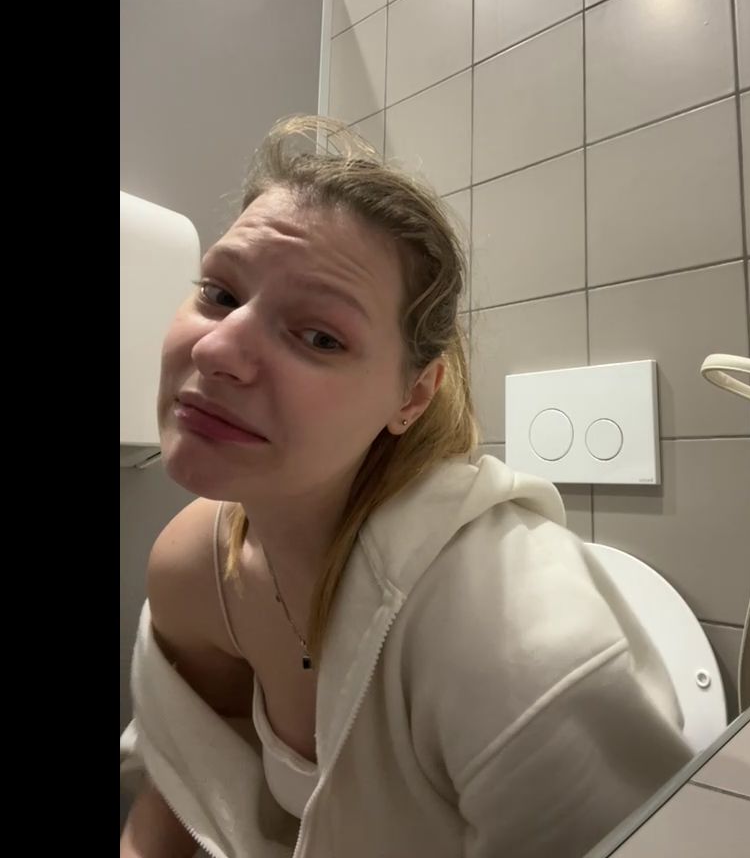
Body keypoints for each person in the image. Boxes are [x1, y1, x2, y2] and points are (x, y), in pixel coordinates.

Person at [119, 116, 693, 858]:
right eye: (221, 293)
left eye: (319, 336)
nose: (217, 348)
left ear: (412, 397)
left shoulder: (513, 635)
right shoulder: (198, 570)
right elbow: (187, 786)